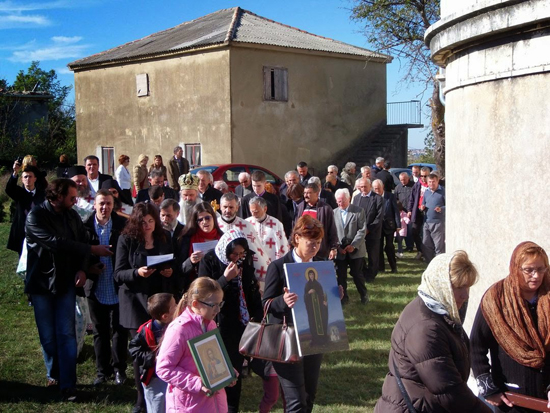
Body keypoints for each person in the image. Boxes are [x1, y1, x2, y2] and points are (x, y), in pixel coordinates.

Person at [25, 178, 113, 400]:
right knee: (48, 335)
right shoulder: (36, 216)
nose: (75, 201)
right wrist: (92, 249)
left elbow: (82, 243)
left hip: (65, 282)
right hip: (41, 283)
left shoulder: (72, 216)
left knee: (66, 333)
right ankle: (54, 375)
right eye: (72, 197)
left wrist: (83, 269)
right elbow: (55, 243)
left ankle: (67, 384)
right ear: (57, 196)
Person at [375, 251, 491, 413]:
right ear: (440, 285)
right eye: (458, 287)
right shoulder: (426, 327)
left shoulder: (435, 311)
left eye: (467, 287)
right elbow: (448, 389)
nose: (465, 295)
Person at [471, 241, 550, 412]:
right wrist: (489, 389)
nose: (536, 276)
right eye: (529, 270)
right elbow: (476, 345)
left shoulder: (548, 296)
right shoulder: (496, 299)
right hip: (509, 399)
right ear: (516, 268)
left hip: (545, 399)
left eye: (541, 269)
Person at [114, 202, 175, 413]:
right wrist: (137, 272)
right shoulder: (126, 239)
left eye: (150, 221)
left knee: (163, 346)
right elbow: (118, 273)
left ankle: (163, 392)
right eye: (143, 222)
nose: (147, 225)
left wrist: (169, 271)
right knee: (142, 350)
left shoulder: (163, 237)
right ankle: (141, 399)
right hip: (135, 301)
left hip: (159, 301)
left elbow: (172, 262)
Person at [263, 215, 325, 412]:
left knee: (308, 395)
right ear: (297, 238)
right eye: (311, 242)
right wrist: (283, 301)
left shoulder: (321, 266)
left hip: (314, 336)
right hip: (287, 340)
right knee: (296, 400)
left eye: (318, 242)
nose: (315, 247)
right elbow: (265, 304)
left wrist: (335, 295)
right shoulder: (278, 267)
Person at [198, 229, 262, 413]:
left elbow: (250, 287)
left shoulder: (244, 260)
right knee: (217, 367)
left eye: (242, 254)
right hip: (217, 322)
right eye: (234, 254)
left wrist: (256, 314)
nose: (238, 258)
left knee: (235, 368)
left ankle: (232, 407)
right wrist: (225, 279)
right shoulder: (210, 259)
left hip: (238, 322)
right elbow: (203, 294)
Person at [156, 277, 229, 412]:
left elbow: (213, 357)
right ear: (195, 304)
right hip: (189, 405)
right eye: (214, 305)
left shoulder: (211, 324)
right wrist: (197, 383)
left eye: (220, 304)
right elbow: (164, 368)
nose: (218, 310)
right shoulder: (179, 329)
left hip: (214, 403)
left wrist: (226, 371)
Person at [84, 189, 129, 387]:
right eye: (101, 203)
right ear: (94, 205)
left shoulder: (122, 225)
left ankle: (120, 369)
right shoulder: (85, 226)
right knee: (100, 330)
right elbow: (78, 253)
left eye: (109, 203)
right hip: (96, 285)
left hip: (118, 285)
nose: (105, 207)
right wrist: (89, 268)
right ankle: (102, 371)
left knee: (119, 330)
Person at [129, 293, 176, 413]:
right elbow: (133, 349)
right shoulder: (147, 330)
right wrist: (152, 358)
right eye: (174, 306)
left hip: (173, 376)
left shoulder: (177, 326)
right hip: (155, 379)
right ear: (165, 316)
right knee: (157, 406)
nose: (177, 306)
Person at [177, 202, 224, 293]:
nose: (204, 222)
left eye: (207, 218)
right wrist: (191, 261)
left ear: (213, 218)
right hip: (195, 286)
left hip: (218, 285)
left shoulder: (222, 237)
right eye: (200, 220)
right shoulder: (187, 239)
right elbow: (180, 269)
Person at [333, 188, 368, 305]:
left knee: (357, 274)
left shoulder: (358, 211)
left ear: (348, 199)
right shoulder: (333, 213)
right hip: (340, 250)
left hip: (356, 249)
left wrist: (353, 245)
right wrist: (338, 247)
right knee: (341, 275)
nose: (341, 203)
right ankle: (343, 297)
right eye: (338, 201)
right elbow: (332, 232)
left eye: (343, 201)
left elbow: (362, 230)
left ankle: (364, 295)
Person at [6, 162, 45, 256]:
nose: (28, 179)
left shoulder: (42, 194)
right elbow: (9, 189)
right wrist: (15, 172)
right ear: (22, 179)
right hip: (22, 231)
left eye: (30, 176)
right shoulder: (19, 193)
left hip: (39, 231)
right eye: (25, 177)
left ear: (35, 179)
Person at [296, 183, 338, 260]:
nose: (305, 195)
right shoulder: (300, 207)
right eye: (304, 193)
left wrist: (333, 247)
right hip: (303, 251)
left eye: (309, 193)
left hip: (320, 251)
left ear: (317, 193)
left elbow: (332, 229)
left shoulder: (325, 209)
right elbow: (295, 227)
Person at [372, 179, 400, 273]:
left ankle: (393, 267)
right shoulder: (373, 197)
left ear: (382, 186)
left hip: (389, 225)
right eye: (375, 189)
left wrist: (398, 225)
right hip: (377, 226)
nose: (377, 190)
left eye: (378, 188)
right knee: (378, 247)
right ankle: (381, 268)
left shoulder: (390, 196)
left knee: (389, 246)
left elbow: (396, 211)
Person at [420, 173, 445, 263]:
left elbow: (449, 205)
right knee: (426, 244)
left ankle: (439, 263)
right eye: (430, 182)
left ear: (437, 181)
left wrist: (441, 209)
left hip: (438, 222)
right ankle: (429, 263)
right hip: (427, 222)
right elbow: (423, 203)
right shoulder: (426, 192)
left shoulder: (443, 191)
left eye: (433, 182)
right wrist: (422, 207)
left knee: (438, 246)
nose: (431, 184)